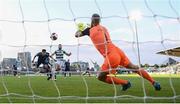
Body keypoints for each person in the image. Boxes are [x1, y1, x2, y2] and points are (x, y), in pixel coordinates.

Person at [75, 13, 161, 91]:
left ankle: (125, 83)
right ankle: (154, 82)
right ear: (99, 21)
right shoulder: (104, 28)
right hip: (117, 50)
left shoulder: (89, 30)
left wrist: (80, 28)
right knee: (134, 67)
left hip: (111, 55)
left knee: (100, 77)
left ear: (91, 20)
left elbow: (76, 35)